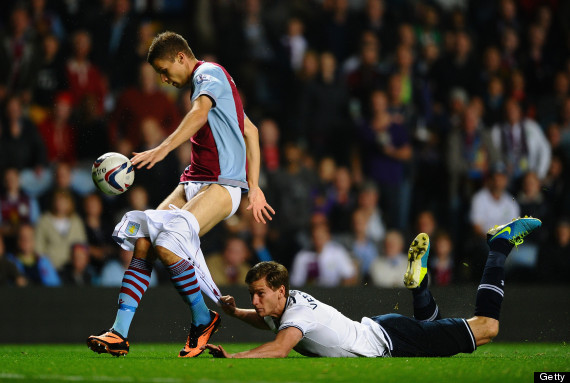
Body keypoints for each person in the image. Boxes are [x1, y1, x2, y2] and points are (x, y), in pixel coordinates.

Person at [87, 31, 274, 358]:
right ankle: (119, 332)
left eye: (164, 70)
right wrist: (256, 185)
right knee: (145, 238)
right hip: (193, 181)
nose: (162, 78)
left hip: (222, 184)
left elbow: (200, 114)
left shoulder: (208, 74)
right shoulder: (211, 86)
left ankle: (203, 319)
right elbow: (251, 131)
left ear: (181, 58)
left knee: (169, 242)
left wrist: (162, 147)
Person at [203, 216, 541, 358]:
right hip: (385, 330)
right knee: (433, 330)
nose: (255, 300)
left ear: (280, 290)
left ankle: (499, 247)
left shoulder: (298, 315)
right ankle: (420, 285)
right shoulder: (283, 305)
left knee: (488, 327)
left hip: (390, 339)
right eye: (252, 295)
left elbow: (279, 347)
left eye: (259, 293)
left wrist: (235, 355)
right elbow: (266, 318)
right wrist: (236, 312)